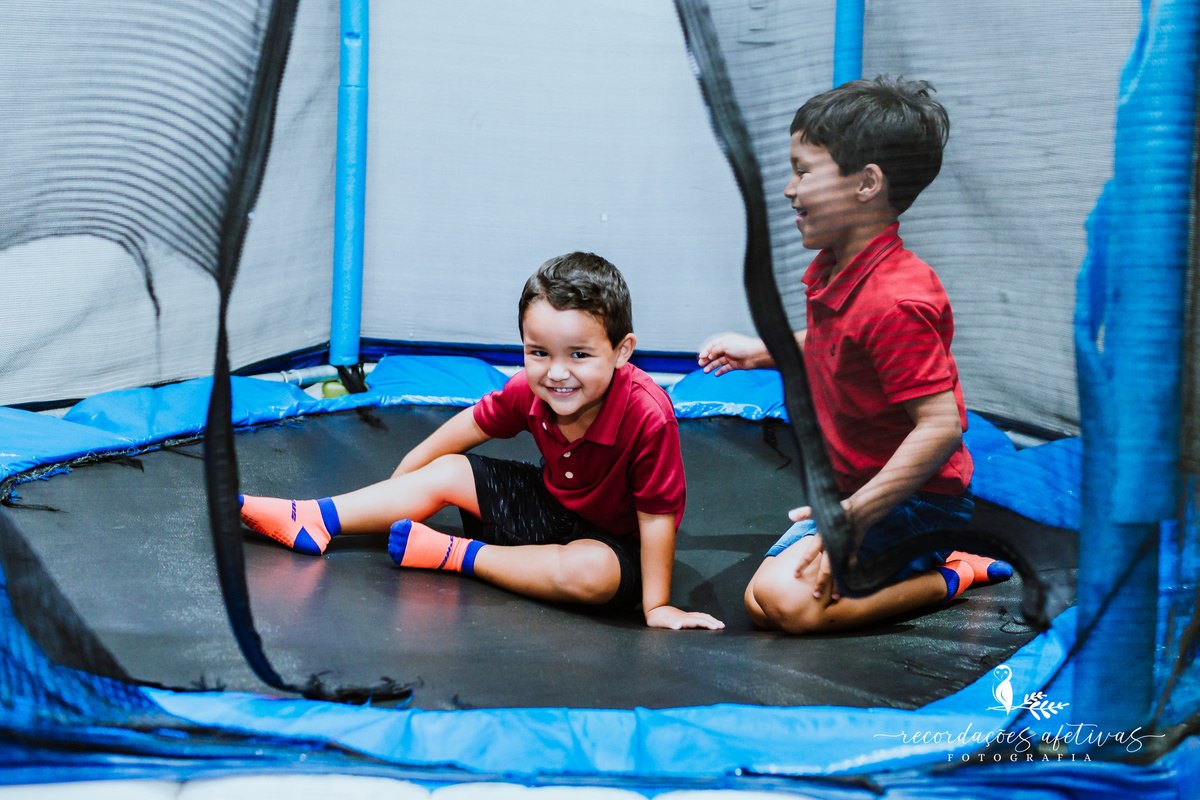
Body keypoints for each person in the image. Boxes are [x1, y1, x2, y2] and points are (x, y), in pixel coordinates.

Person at [240, 252, 724, 631]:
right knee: (450, 469)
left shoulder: (647, 414)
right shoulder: (530, 389)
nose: (557, 373)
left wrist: (657, 605)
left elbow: (658, 518)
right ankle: (316, 517)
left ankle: (453, 554)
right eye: (539, 353)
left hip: (619, 548)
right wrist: (401, 486)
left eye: (579, 354)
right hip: (549, 509)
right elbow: (462, 430)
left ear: (622, 352)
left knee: (591, 573)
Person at [698, 76, 1009, 634]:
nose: (790, 190)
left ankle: (955, 573)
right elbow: (837, 342)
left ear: (866, 183)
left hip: (917, 503)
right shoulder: (842, 266)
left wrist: (854, 516)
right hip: (851, 491)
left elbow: (939, 428)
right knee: (759, 603)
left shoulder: (896, 299)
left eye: (803, 171)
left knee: (789, 605)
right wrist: (762, 353)